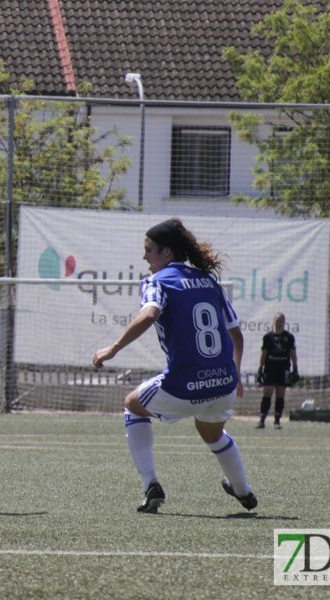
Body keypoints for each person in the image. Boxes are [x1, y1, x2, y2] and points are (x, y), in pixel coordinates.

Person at [92, 217, 257, 514]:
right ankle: (243, 490)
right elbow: (236, 334)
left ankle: (150, 483)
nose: (145, 257)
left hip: (184, 384)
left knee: (132, 404)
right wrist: (236, 373)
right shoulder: (209, 282)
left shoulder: (158, 281)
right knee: (212, 433)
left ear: (167, 252)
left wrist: (113, 348)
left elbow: (149, 314)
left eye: (149, 249)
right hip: (223, 382)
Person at [256, 312, 298, 430]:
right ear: (274, 322)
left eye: (282, 321)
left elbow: (293, 353)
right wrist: (260, 369)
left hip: (283, 369)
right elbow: (263, 354)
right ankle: (262, 420)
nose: (279, 323)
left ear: (284, 323)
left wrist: (295, 368)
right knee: (267, 393)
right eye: (277, 321)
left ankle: (277, 421)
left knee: (280, 394)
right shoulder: (268, 337)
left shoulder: (289, 337)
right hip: (270, 369)